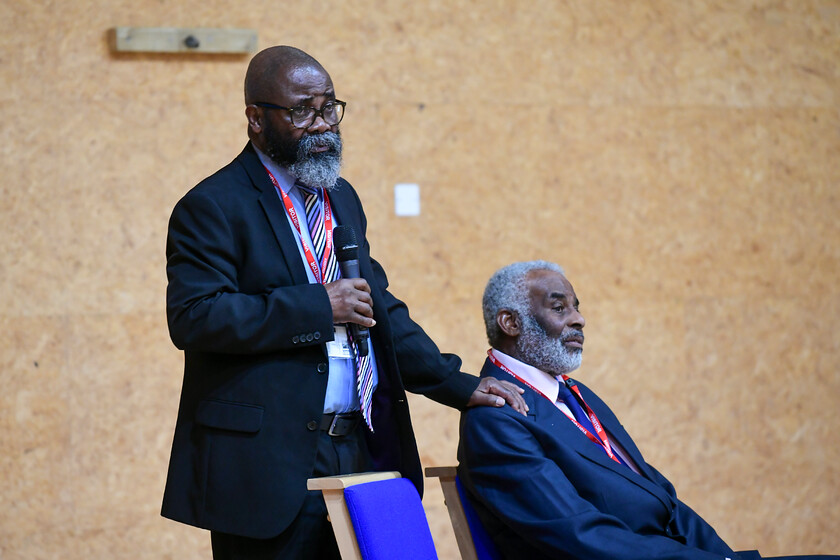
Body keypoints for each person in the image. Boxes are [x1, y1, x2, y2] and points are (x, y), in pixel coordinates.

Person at [160, 45, 526, 560]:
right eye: (303, 110)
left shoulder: (341, 197)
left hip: (357, 443)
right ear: (256, 119)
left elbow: (377, 309)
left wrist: (459, 386)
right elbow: (196, 317)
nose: (322, 123)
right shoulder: (212, 206)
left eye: (329, 106)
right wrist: (316, 306)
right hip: (269, 462)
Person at [457, 260, 839, 560]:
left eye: (576, 307)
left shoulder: (575, 393)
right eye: (559, 307)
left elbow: (664, 499)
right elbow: (581, 536)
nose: (578, 318)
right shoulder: (496, 417)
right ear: (510, 322)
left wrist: (723, 559)